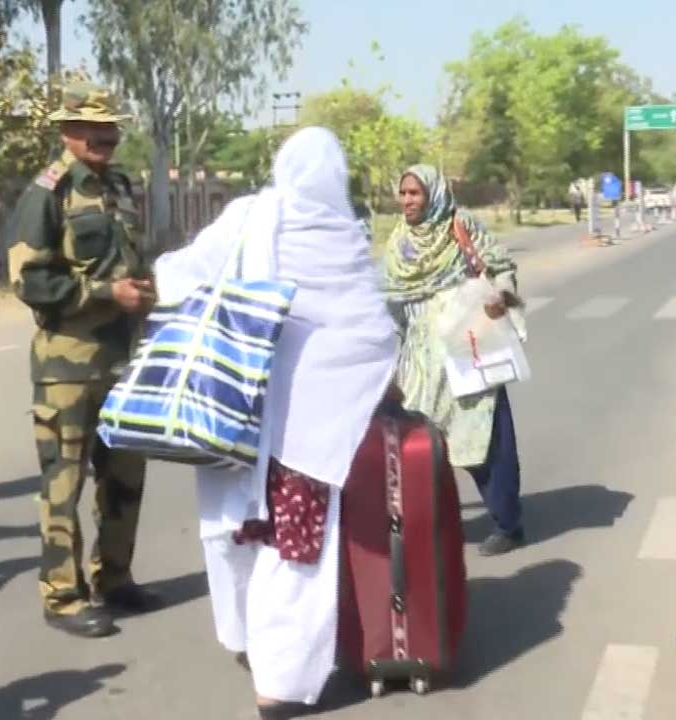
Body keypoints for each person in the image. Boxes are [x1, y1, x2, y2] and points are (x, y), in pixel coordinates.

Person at [157, 127, 397, 719]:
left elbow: (181, 276)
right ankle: (281, 683)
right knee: (296, 550)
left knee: (239, 533)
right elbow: (373, 333)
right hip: (311, 435)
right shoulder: (346, 236)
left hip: (238, 416)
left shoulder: (249, 216)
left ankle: (248, 644)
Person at [8, 81, 159, 639]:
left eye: (112, 128)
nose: (107, 138)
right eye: (94, 130)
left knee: (125, 477)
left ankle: (114, 578)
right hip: (66, 367)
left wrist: (146, 292)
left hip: (123, 360)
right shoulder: (46, 194)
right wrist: (104, 295)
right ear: (68, 134)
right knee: (63, 482)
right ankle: (62, 594)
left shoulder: (120, 187)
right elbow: (28, 279)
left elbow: (133, 260)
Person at [383, 165, 526, 556]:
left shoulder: (460, 226)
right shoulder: (398, 241)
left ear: (433, 194)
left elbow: (499, 267)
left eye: (415, 193)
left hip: (467, 347)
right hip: (420, 360)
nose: (408, 201)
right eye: (404, 193)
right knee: (423, 444)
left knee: (485, 439)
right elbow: (391, 302)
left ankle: (507, 523)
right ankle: (429, 523)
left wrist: (500, 295)